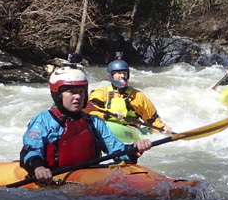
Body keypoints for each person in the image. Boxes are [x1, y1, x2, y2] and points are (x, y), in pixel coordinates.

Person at [20, 64, 152, 183]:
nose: (77, 97)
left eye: (81, 92)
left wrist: (134, 149)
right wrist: (38, 167)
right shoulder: (44, 120)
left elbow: (118, 152)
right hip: (53, 178)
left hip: (87, 180)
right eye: (71, 92)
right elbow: (31, 149)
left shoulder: (94, 122)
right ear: (58, 94)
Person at [86, 53, 174, 134]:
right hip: (106, 126)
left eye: (124, 73)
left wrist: (162, 127)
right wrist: (107, 115)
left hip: (130, 130)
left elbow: (152, 120)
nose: (122, 76)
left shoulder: (137, 96)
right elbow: (89, 112)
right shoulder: (100, 93)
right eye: (119, 73)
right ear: (111, 75)